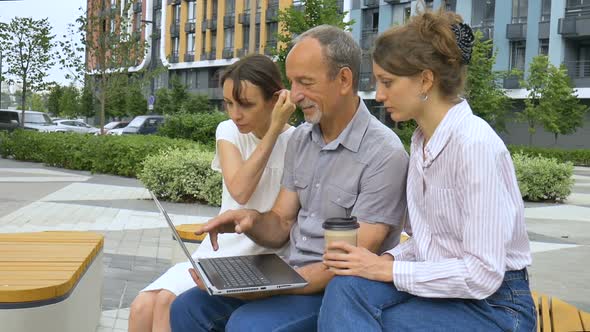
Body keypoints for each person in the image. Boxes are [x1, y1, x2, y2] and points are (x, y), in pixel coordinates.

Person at [169, 25, 409, 332]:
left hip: (334, 291)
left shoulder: (384, 153)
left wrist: (271, 287)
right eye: (292, 82)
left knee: (248, 325)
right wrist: (248, 220)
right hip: (288, 274)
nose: (294, 96)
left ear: (344, 80)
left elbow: (353, 261)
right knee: (187, 309)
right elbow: (281, 223)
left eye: (305, 83)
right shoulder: (303, 139)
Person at [319, 9, 536, 331]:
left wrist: (387, 272)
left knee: (388, 321)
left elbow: (482, 274)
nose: (378, 95)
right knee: (345, 286)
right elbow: (433, 242)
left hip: (498, 305)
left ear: (425, 79)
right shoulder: (423, 142)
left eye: (387, 82)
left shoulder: (475, 147)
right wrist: (386, 261)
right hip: (446, 290)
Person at [128, 54, 297, 332]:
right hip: (218, 255)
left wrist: (276, 128)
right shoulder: (228, 131)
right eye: (229, 103)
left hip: (264, 259)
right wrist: (272, 131)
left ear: (276, 100)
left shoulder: (298, 141)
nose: (235, 114)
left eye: (245, 104)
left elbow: (243, 194)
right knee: (142, 306)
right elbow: (239, 186)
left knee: (166, 303)